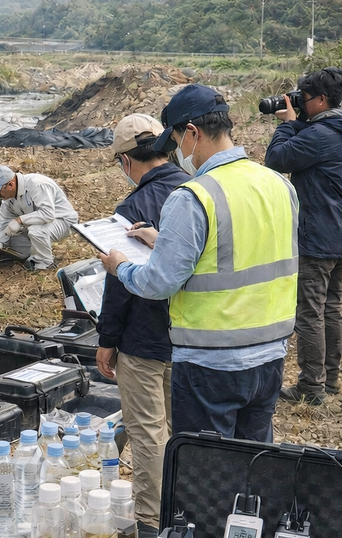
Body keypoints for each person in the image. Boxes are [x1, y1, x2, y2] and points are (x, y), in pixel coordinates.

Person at [101, 84, 298, 443]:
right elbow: (238, 250)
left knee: (205, 474)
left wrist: (120, 267)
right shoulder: (277, 184)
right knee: (253, 463)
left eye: (175, 142)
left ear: (191, 132)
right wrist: (162, 240)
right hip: (270, 356)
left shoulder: (194, 196)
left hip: (212, 364)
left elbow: (160, 282)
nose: (177, 153)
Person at [95, 114, 187, 538]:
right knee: (181, 427)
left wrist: (107, 340)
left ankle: (152, 518)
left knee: (148, 429)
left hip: (144, 335)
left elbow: (121, 284)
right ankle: (185, 505)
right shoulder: (194, 192)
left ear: (127, 161)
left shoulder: (133, 208)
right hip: (190, 333)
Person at [265, 68, 342, 405]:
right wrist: (299, 121)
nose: (301, 103)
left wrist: (285, 123)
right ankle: (330, 382)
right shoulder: (331, 130)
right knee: (332, 309)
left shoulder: (318, 137)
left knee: (310, 312)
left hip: (317, 238)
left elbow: (275, 159)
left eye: (304, 98)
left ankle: (312, 387)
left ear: (321, 100)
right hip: (338, 237)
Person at [0, 164, 78, 271]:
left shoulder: (37, 184)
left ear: (10, 184)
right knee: (13, 239)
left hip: (63, 221)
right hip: (41, 224)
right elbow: (4, 224)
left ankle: (45, 264)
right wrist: (0, 244)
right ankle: (33, 254)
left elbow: (48, 214)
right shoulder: (8, 200)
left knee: (35, 231)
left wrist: (20, 220)